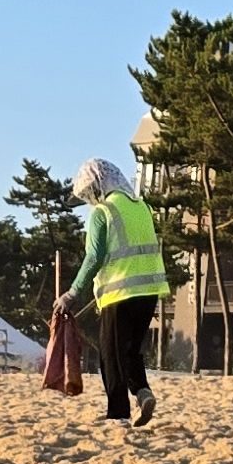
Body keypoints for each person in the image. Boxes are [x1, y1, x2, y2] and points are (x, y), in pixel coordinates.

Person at [61, 158, 172, 429]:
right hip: (149, 292)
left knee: (110, 354)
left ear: (97, 185)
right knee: (131, 350)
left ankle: (118, 414)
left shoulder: (103, 212)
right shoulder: (142, 207)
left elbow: (94, 257)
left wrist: (72, 294)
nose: (90, 200)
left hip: (119, 291)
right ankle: (143, 392)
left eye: (89, 194)